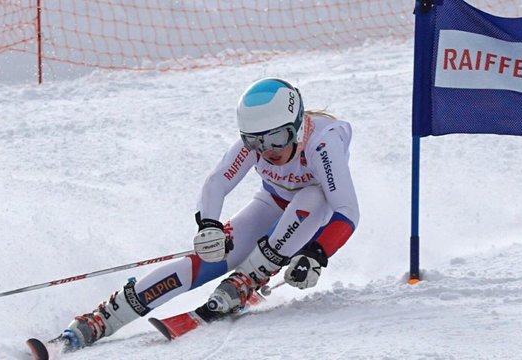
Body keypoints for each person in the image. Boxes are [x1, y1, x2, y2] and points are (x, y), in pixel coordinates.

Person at [54, 78, 359, 350]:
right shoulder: (256, 143)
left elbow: (346, 210)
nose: (268, 151)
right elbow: (217, 182)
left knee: (314, 195)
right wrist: (209, 227)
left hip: (316, 217)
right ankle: (105, 318)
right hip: (271, 201)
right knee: (212, 256)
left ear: (296, 126)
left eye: (277, 139)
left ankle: (249, 277)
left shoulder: (322, 142)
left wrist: (317, 253)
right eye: (255, 141)